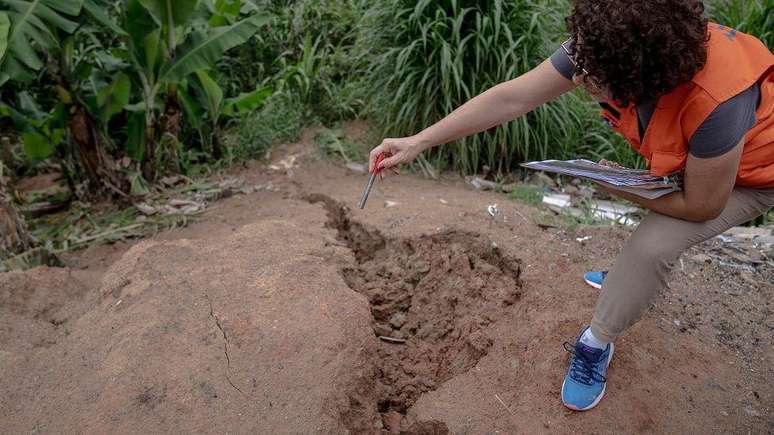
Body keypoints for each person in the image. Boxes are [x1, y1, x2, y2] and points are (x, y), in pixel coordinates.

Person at [367, 0, 774, 411]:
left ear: (643, 78)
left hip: (755, 175)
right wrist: (419, 140)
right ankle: (624, 282)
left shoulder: (717, 98)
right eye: (580, 64)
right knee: (646, 234)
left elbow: (701, 204)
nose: (578, 78)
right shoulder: (602, 46)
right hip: (700, 161)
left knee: (653, 246)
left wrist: (618, 186)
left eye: (592, 77)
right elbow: (512, 99)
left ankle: (596, 342)